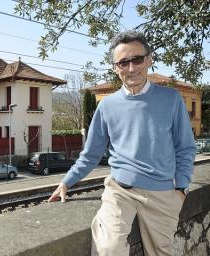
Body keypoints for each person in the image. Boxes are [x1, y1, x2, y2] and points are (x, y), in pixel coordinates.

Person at [48, 31, 196, 256]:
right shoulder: (107, 106)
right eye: (123, 62)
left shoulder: (171, 99)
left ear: (149, 60)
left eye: (137, 59)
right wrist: (66, 182)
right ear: (115, 67)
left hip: (163, 193)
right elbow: (91, 154)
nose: (131, 68)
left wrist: (181, 189)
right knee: (109, 249)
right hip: (120, 191)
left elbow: (185, 148)